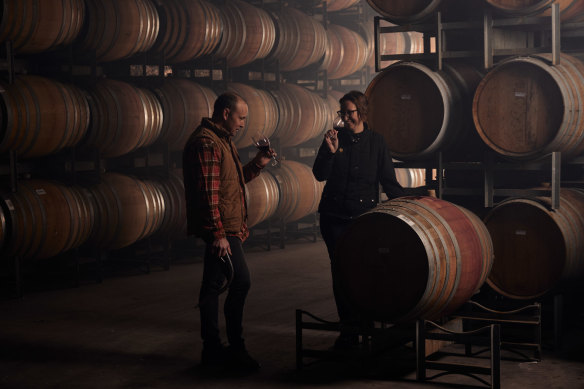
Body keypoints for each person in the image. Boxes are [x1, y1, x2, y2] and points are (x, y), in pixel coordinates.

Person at [183, 92, 275, 371]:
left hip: (228, 226)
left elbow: (230, 184)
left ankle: (213, 350)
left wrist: (257, 164)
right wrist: (218, 234)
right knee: (240, 281)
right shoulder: (206, 143)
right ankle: (234, 348)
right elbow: (208, 195)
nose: (243, 124)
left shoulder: (222, 140)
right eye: (241, 117)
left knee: (211, 288)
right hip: (223, 229)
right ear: (225, 113)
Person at [312, 90, 406, 349]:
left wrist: (411, 202)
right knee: (341, 272)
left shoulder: (377, 142)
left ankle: (366, 322)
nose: (345, 118)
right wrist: (330, 152)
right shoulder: (334, 138)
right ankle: (348, 330)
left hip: (363, 219)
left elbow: (388, 182)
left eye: (349, 113)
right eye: (341, 113)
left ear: (362, 112)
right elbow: (319, 174)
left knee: (365, 271)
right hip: (334, 217)